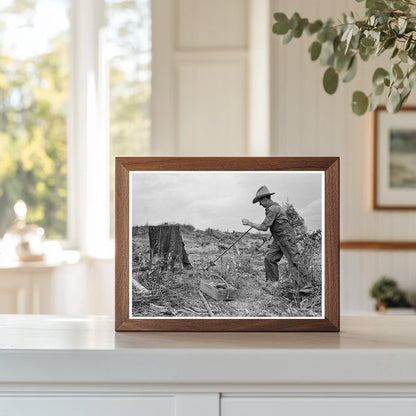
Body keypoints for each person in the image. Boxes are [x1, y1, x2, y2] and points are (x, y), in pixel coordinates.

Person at [242, 185, 303, 285]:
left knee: (294, 261)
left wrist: (249, 223)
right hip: (278, 238)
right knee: (269, 259)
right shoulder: (274, 208)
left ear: (265, 199)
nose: (260, 204)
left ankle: (304, 288)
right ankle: (273, 284)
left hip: (286, 237)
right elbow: (275, 226)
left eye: (260, 202)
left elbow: (263, 227)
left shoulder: (273, 209)